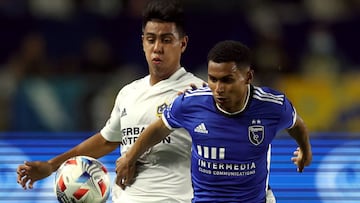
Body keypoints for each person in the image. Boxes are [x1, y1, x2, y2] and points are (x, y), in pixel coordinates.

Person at [17, 0, 204, 202]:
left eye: (166, 40)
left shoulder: (198, 92)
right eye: (151, 39)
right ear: (143, 42)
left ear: (182, 44)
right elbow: (106, 140)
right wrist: (51, 166)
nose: (157, 48)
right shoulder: (128, 93)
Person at [115, 40, 313, 203]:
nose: (218, 88)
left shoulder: (273, 106)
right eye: (213, 79)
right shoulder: (190, 103)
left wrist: (305, 149)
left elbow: (296, 125)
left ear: (248, 76)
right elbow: (160, 127)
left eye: (227, 80)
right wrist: (129, 158)